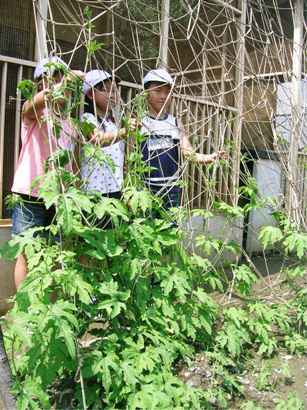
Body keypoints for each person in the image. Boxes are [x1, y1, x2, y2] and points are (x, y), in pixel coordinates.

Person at [11, 56, 81, 288]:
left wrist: (73, 191)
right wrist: (63, 84)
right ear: (40, 84)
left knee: (55, 252)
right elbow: (30, 106)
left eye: (60, 77)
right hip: (30, 194)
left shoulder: (70, 123)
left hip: (58, 198)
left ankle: (47, 308)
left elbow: (71, 163)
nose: (59, 84)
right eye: (50, 79)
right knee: (26, 252)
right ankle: (25, 312)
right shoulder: (33, 115)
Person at [140, 68, 227, 210]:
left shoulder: (175, 123)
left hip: (171, 189)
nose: (163, 96)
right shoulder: (139, 122)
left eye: (167, 92)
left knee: (170, 229)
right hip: (145, 190)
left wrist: (209, 158)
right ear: (145, 93)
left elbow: (187, 152)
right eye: (157, 91)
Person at [81, 69, 134, 201]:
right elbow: (97, 139)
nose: (112, 95)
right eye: (105, 90)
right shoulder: (87, 118)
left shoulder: (114, 121)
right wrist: (124, 132)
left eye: (114, 91)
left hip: (116, 189)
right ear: (90, 94)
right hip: (95, 192)